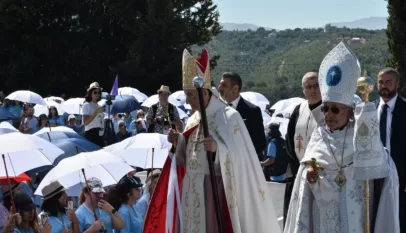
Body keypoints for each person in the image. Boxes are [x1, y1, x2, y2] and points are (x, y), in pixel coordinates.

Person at [143, 49, 281, 233]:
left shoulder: (229, 117)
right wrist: (178, 142)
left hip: (213, 188)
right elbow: (187, 157)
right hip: (191, 188)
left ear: (205, 93)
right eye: (187, 94)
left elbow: (242, 159)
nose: (187, 100)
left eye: (191, 95)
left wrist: (218, 150)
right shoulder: (194, 118)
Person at [284, 42, 399, 233]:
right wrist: (309, 176)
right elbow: (304, 178)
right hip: (323, 221)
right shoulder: (318, 137)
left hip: (356, 220)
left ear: (350, 111)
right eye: (326, 109)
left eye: (335, 109)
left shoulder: (362, 139)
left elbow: (384, 169)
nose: (329, 115)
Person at [283, 72, 323, 226]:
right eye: (308, 87)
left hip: (319, 175)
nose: (313, 90)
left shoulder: (329, 110)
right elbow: (289, 141)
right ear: (303, 90)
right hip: (296, 172)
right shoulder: (298, 110)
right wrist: (298, 170)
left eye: (316, 86)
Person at [375, 67, 406, 232]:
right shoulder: (369, 111)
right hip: (375, 180)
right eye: (381, 82)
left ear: (397, 84)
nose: (384, 86)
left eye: (388, 82)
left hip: (401, 181)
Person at [218, 72, 266, 162]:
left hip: (245, 164)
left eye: (224, 85)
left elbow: (260, 143)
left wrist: (238, 156)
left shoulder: (252, 111)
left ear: (235, 88)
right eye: (220, 84)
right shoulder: (217, 110)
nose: (219, 88)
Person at [82, 82, 105, 147]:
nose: (97, 94)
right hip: (90, 134)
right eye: (95, 92)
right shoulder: (86, 105)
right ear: (90, 93)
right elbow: (85, 122)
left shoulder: (99, 106)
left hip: (99, 134)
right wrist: (96, 112)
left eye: (99, 92)